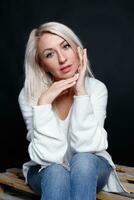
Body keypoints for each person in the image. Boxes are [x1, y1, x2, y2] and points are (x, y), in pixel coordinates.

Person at [18, 21, 127, 200]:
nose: (62, 59)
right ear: (43, 64)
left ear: (78, 49)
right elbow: (49, 157)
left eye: (66, 46)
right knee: (55, 172)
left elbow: (87, 147)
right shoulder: (30, 94)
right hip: (46, 170)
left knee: (83, 162)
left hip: (91, 168)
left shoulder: (97, 89)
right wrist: (44, 102)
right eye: (50, 54)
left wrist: (81, 93)